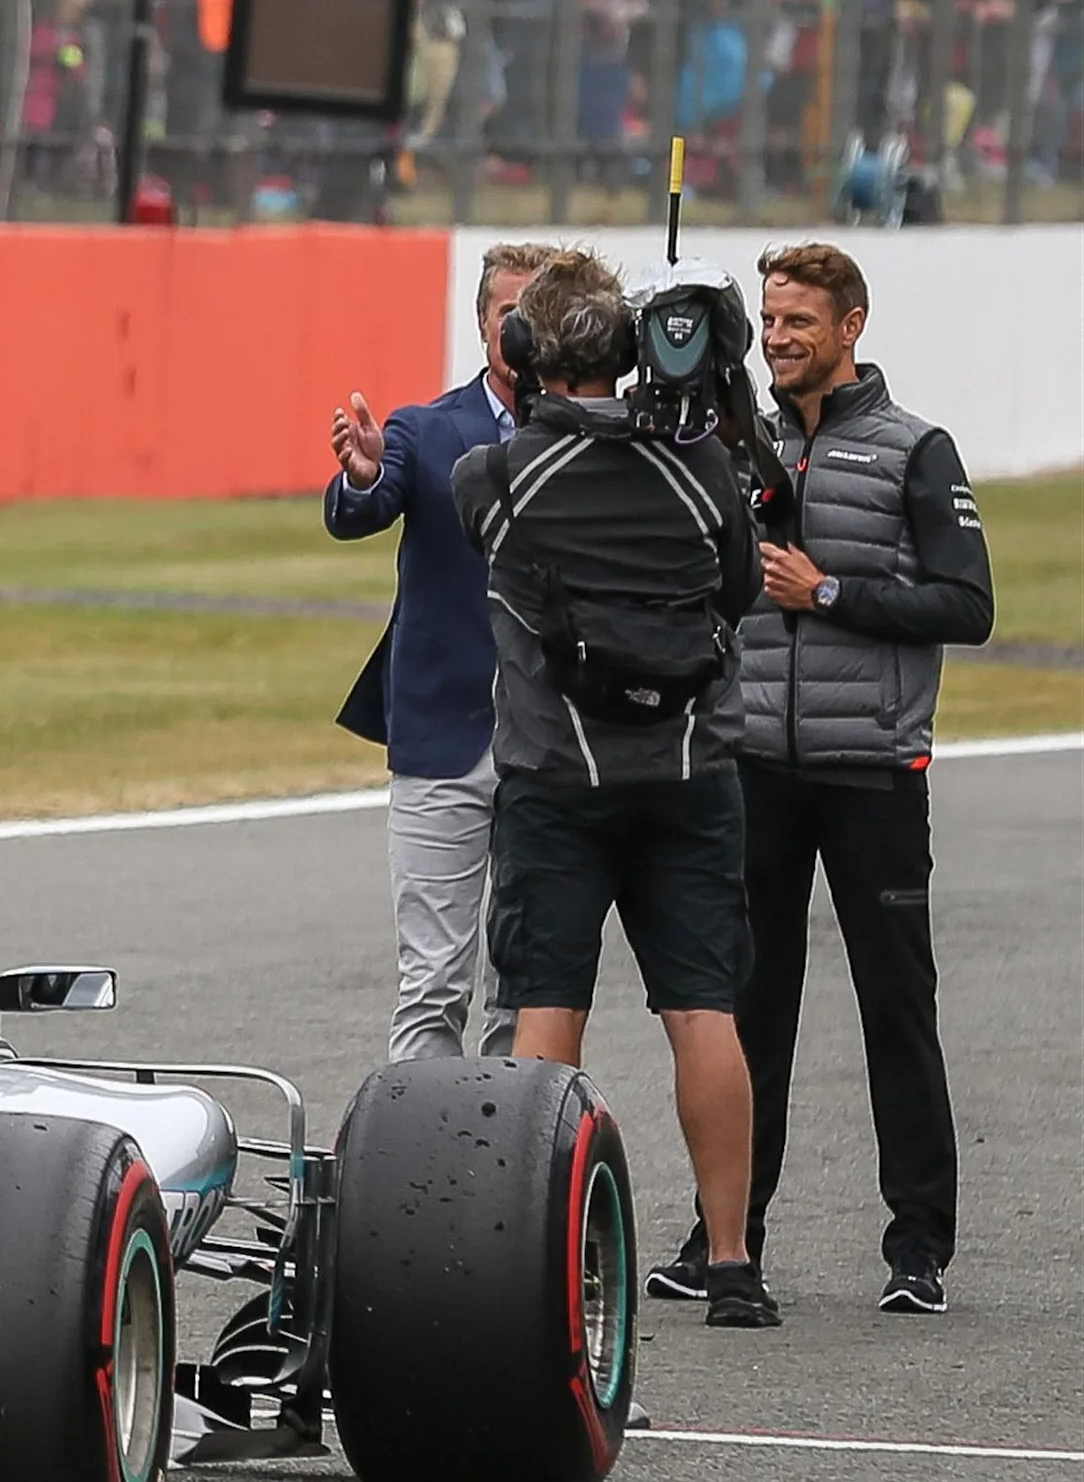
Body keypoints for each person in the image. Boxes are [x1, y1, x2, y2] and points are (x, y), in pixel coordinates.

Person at [652, 243, 994, 1317]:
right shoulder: (729, 446)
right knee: (748, 1007)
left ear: (850, 326)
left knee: (895, 1005)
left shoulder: (914, 451)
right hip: (753, 769)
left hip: (873, 776)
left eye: (798, 319)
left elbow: (965, 606)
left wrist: (830, 591)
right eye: (767, 318)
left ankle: (917, 1247)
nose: (779, 335)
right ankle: (726, 1238)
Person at [452, 253, 779, 1330]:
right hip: (690, 776)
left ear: (523, 355)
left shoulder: (494, 480)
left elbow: (489, 529)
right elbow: (740, 586)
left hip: (555, 781)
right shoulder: (699, 475)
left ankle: (538, 1266)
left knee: (545, 1010)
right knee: (703, 1010)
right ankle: (730, 1259)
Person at [326, 243, 553, 1062]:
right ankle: (423, 1168)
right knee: (433, 985)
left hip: (553, 746)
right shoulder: (426, 429)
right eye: (508, 315)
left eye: (539, 314)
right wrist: (359, 474)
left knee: (526, 985)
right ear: (482, 323)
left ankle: (513, 1165)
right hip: (443, 740)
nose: (522, 330)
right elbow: (363, 505)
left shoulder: (593, 437)